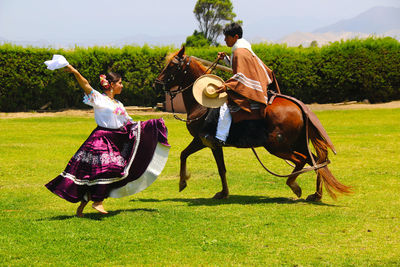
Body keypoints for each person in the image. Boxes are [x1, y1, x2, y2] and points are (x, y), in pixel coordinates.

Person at [45, 64, 170, 217]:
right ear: (111, 85)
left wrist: (153, 124)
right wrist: (75, 71)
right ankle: (97, 202)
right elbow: (85, 85)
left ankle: (82, 208)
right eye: (120, 83)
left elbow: (128, 123)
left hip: (115, 139)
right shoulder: (98, 98)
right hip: (100, 138)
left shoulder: (119, 104)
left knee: (94, 175)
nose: (122, 86)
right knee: (108, 167)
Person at [201, 23, 274, 148]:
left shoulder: (240, 52)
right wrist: (226, 59)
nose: (224, 40)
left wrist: (226, 86)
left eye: (226, 37)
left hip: (251, 90)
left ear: (235, 36)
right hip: (253, 86)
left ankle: (220, 138)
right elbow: (240, 68)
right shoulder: (241, 50)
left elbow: (241, 75)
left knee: (225, 105)